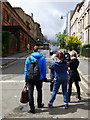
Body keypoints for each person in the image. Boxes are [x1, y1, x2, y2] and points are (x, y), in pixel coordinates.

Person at [24, 46, 46, 113]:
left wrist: (25, 80)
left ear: (33, 51)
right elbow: (44, 69)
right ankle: (39, 104)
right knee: (39, 91)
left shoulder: (28, 58)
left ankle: (32, 108)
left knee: (30, 92)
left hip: (30, 78)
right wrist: (44, 77)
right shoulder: (42, 58)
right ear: (38, 50)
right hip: (39, 78)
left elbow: (26, 70)